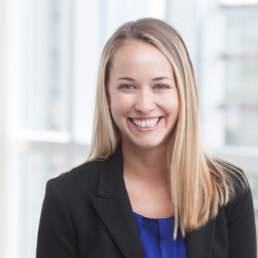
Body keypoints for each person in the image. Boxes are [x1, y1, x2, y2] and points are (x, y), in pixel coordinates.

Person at [36, 18, 257, 258]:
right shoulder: (67, 198)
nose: (144, 105)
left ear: (183, 92)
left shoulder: (229, 190)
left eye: (160, 86)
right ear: (107, 96)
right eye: (127, 87)